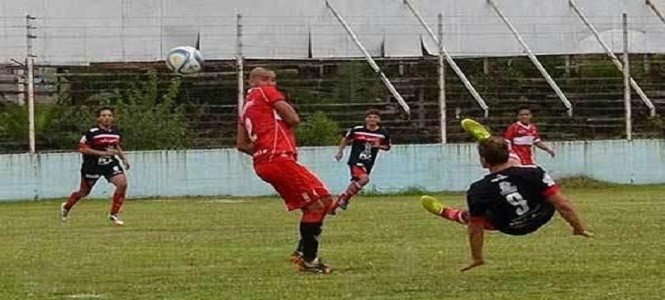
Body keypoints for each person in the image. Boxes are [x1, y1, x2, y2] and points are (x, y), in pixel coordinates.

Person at [421, 137, 592, 272]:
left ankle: (445, 212)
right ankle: (490, 141)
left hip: (511, 226)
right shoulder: (535, 172)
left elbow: (475, 229)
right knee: (542, 188)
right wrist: (578, 227)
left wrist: (477, 258)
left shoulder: (478, 189)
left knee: (471, 216)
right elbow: (563, 205)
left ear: (483, 161)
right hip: (543, 214)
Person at [237, 67, 334, 274]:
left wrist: (263, 150)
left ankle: (302, 251)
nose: (271, 83)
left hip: (268, 161)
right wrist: (275, 144)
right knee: (315, 206)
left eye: (273, 79)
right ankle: (309, 261)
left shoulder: (245, 108)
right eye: (265, 79)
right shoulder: (266, 94)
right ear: (252, 81)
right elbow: (293, 119)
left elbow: (242, 144)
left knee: (325, 200)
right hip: (278, 158)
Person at [60, 106, 130, 226]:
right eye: (103, 115)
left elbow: (116, 145)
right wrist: (103, 153)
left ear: (113, 118)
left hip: (109, 164)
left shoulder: (115, 133)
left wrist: (123, 158)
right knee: (84, 192)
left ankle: (114, 214)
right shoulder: (92, 133)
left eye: (109, 115)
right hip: (92, 165)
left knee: (122, 184)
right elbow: (82, 149)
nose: (106, 118)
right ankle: (66, 207)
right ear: (99, 118)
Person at [331, 109, 391, 213]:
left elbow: (387, 147)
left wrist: (379, 146)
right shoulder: (357, 130)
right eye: (370, 117)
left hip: (368, 162)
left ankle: (334, 207)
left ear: (379, 120)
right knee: (365, 179)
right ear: (366, 119)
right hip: (355, 160)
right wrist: (340, 152)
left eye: (375, 117)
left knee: (354, 184)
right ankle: (344, 199)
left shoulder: (383, 133)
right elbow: (345, 138)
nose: (372, 119)